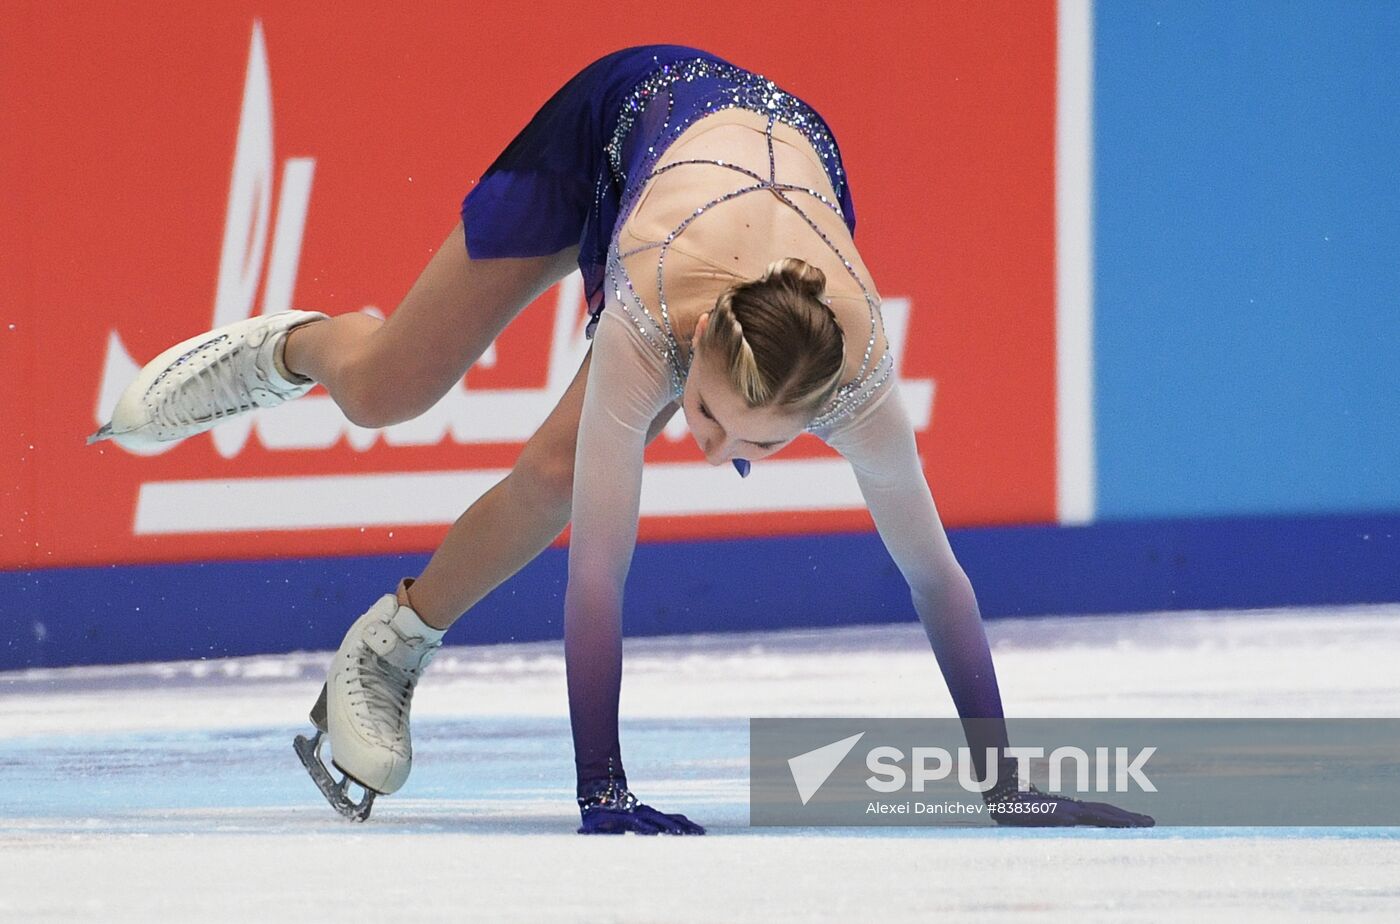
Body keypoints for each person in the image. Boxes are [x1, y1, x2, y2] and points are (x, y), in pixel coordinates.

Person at [93, 45, 1152, 832]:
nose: (717, 457)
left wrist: (1000, 778)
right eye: (706, 421)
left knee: (554, 475)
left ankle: (389, 644)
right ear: (694, 350)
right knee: (390, 395)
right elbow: (598, 572)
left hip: (761, 172)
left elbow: (936, 579)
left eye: (760, 448)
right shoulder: (652, 309)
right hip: (621, 120)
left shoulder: (857, 380)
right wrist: (601, 789)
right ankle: (302, 347)